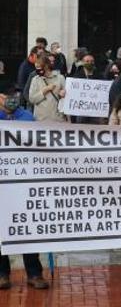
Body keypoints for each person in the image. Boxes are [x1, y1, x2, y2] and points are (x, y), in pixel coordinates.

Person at [0, 94, 50, 290]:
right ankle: (2, 274)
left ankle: (34, 273)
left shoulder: (28, 117)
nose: (7, 100)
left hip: (25, 182)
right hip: (3, 181)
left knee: (28, 227)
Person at [29, 55, 67, 122]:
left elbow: (68, 98)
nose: (37, 70)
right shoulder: (35, 79)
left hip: (58, 119)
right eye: (36, 67)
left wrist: (63, 95)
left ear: (46, 66)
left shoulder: (60, 78)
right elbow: (32, 99)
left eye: (39, 67)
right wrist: (45, 90)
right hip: (40, 119)